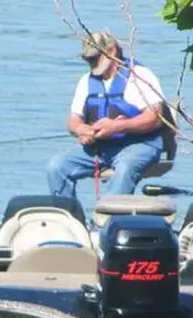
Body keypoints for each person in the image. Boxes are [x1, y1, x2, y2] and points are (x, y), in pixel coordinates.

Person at [47, 31, 168, 199]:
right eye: (88, 59)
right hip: (101, 148)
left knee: (125, 168)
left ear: (112, 51)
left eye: (95, 57)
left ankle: (110, 213)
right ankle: (68, 213)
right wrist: (82, 131)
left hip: (140, 145)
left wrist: (117, 126)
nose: (91, 62)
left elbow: (155, 118)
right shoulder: (86, 81)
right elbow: (73, 120)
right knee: (56, 166)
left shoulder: (140, 76)